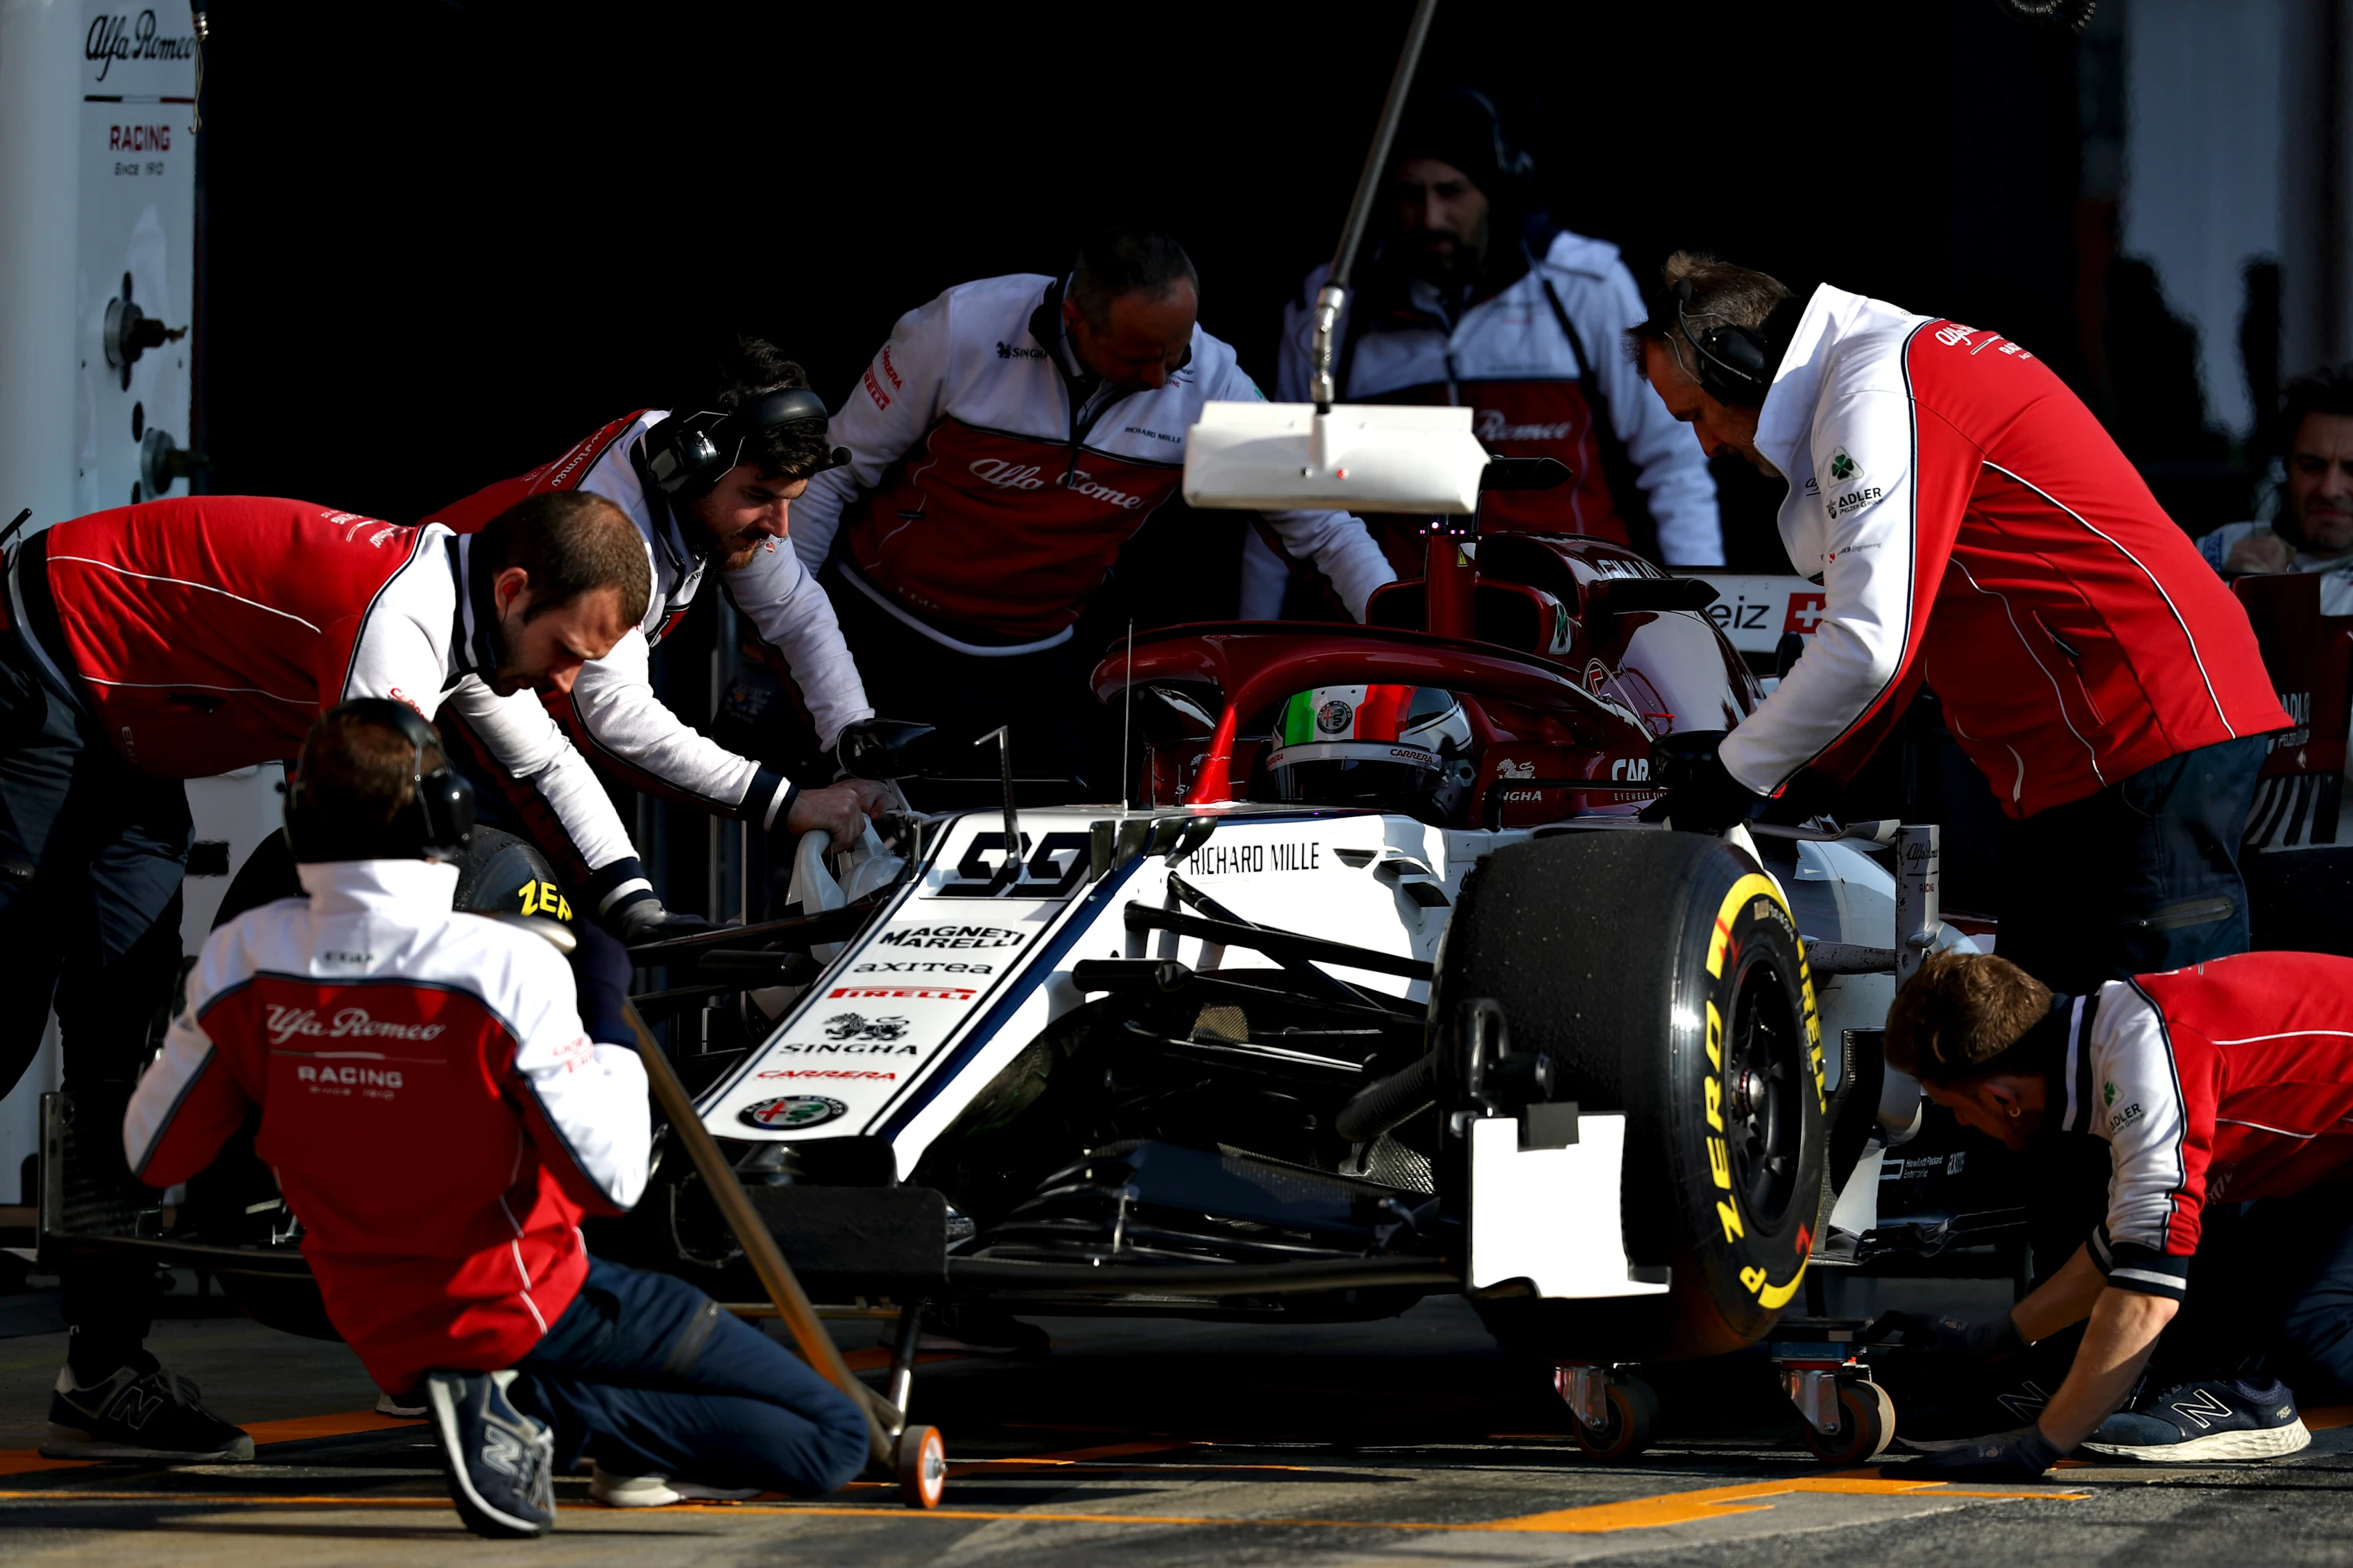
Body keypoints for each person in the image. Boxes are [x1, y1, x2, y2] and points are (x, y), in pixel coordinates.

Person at [9, 492, 656, 1462]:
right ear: (517, 589)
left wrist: (634, 902)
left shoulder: (466, 614)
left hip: (129, 733)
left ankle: (102, 1372)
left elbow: (551, 769)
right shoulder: (396, 627)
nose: (568, 678)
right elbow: (378, 854)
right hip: (40, 668)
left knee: (119, 1036)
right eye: (569, 649)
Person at [121, 701, 868, 1533]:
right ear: (448, 817)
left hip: (374, 1318)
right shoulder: (502, 963)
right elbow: (612, 1178)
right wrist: (608, 1017)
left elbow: (154, 1153)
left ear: (300, 824)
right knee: (832, 1436)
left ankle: (580, 1431)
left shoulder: (241, 958)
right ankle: (540, 1411)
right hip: (525, 1300)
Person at [1630, 252, 2291, 995]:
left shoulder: (1873, 386)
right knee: (2039, 1061)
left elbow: (1868, 641)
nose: (1703, 446)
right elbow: (1900, 632)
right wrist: (1798, 774)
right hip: (2103, 745)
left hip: (2141, 732)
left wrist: (1734, 772)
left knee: (2157, 1054)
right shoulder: (1884, 369)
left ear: (1738, 366)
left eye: (1693, 414)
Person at [787, 226, 1396, 786]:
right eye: (1138, 357)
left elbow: (1325, 530)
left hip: (1035, 661)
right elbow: (826, 480)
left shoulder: (1212, 382)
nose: (1161, 379)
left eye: (1176, 351)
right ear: (1074, 318)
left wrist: (1411, 636)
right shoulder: (959, 329)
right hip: (878, 636)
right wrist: (784, 641)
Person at [423, 341, 891, 907]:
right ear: (693, 464)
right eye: (760, 497)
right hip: (448, 709)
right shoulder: (612, 532)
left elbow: (795, 610)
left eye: (791, 498)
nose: (780, 526)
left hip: (527, 718)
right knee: (540, 938)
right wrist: (790, 803)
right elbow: (617, 718)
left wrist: (856, 742)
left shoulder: (690, 458)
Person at [1880, 949, 2353, 1479]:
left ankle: (2252, 1402)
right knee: (2286, 1317)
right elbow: (2122, 1244)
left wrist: (2040, 1447)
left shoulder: (2146, 1065)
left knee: (2308, 1334)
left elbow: (2146, 1291)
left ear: (2000, 1097)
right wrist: (1993, 1339)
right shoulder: (2117, 1034)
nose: (1963, 1124)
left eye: (1954, 1107)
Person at [1256, 87, 1720, 610]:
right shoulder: (1330, 308)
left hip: (1577, 618)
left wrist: (1701, 619)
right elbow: (1277, 490)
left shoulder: (1584, 283)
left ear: (1498, 188)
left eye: (1452, 191)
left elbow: (1671, 462)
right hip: (1404, 625)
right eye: (1410, 194)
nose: (1431, 217)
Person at [2195, 364, 2353, 615]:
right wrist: (2226, 585)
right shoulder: (2225, 544)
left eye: (2352, 470)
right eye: (2312, 466)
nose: (2329, 490)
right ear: (2286, 469)